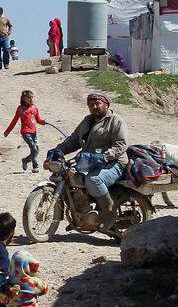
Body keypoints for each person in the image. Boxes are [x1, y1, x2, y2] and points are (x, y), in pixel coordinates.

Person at [46, 93, 128, 229]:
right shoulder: (87, 121)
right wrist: (58, 150)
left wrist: (105, 156)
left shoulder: (116, 121)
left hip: (114, 162)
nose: (94, 107)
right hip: (89, 161)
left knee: (93, 180)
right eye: (91, 104)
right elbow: (73, 140)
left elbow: (121, 145)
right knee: (67, 177)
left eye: (98, 104)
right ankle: (79, 215)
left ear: (106, 105)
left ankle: (109, 212)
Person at [4, 90, 46, 173]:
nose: (30, 99)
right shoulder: (20, 109)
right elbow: (14, 120)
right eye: (28, 97)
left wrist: (43, 122)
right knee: (34, 149)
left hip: (33, 132)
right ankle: (35, 166)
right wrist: (7, 131)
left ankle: (25, 160)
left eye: (31, 97)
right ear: (23, 98)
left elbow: (38, 120)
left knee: (36, 150)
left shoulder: (34, 108)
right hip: (25, 132)